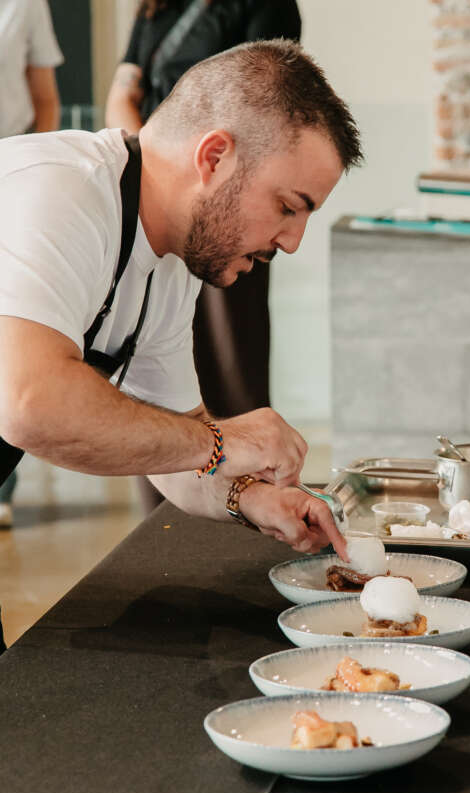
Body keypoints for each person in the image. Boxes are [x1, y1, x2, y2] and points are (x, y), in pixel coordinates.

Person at [0, 40, 361, 650]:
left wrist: (254, 498)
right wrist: (227, 440)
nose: (293, 241)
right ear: (215, 156)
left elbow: (174, 450)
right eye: (286, 206)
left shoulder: (167, 267)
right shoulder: (63, 193)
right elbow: (29, 406)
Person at [106, 0, 302, 515]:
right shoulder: (155, 8)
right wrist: (155, 170)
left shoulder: (265, 7)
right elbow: (122, 95)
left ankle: (244, 499)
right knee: (152, 384)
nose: (295, 236)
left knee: (229, 371)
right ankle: (164, 520)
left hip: (224, 208)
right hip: (165, 198)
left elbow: (266, 124)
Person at [0, 0, 63, 527]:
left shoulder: (26, 4)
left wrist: (31, 175)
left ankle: (4, 484)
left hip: (10, 182)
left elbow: (45, 99)